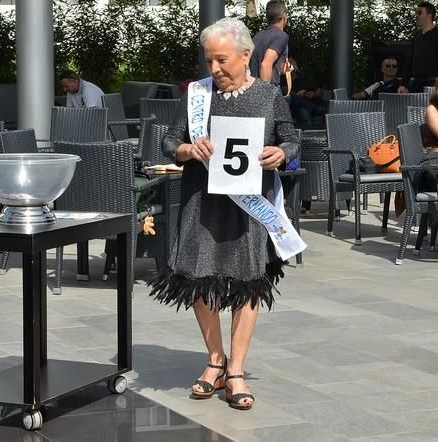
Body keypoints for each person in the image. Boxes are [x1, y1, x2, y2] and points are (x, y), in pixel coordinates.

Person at [148, 17, 298, 411]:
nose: (214, 69)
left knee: (248, 283)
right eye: (209, 60)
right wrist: (186, 150)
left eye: (222, 60)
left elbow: (291, 138)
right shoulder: (197, 95)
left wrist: (281, 153)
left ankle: (237, 371)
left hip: (248, 207)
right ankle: (214, 361)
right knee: (199, 279)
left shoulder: (268, 95)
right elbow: (168, 140)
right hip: (201, 202)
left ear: (246, 55)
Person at [398, 2, 438, 93]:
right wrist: (403, 84)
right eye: (416, 13)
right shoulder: (416, 36)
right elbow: (409, 61)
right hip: (416, 83)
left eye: (420, 12)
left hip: (433, 83)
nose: (417, 16)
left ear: (429, 15)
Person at [249, 0, 288, 85]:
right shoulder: (281, 36)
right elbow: (266, 64)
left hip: (253, 88)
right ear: (284, 16)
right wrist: (266, 95)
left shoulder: (257, 36)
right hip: (268, 89)